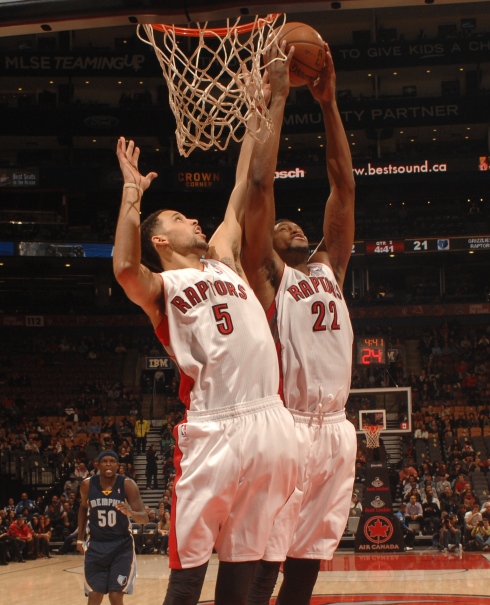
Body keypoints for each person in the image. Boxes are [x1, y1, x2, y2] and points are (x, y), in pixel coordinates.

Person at [113, 130, 297, 605]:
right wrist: (132, 192)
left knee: (244, 561)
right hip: (215, 427)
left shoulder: (223, 258)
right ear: (159, 239)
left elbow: (243, 185)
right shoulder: (162, 286)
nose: (192, 219)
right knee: (190, 567)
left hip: (270, 418)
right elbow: (125, 269)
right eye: (178, 218)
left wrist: (261, 112)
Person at [243, 42, 357, 605]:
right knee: (269, 555)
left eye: (295, 221)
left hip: (337, 428)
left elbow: (343, 187)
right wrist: (279, 98)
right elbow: (261, 189)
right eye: (280, 224)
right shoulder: (268, 276)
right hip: (287, 425)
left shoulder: (329, 266)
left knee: (310, 559)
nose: (289, 224)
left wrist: (329, 105)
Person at [77, 450, 149, 604]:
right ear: (98, 465)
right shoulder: (87, 485)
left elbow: (144, 518)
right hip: (96, 545)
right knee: (94, 595)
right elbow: (83, 508)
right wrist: (79, 539)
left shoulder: (127, 484)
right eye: (104, 461)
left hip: (121, 546)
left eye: (112, 461)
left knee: (115, 595)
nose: (108, 464)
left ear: (118, 465)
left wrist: (129, 512)